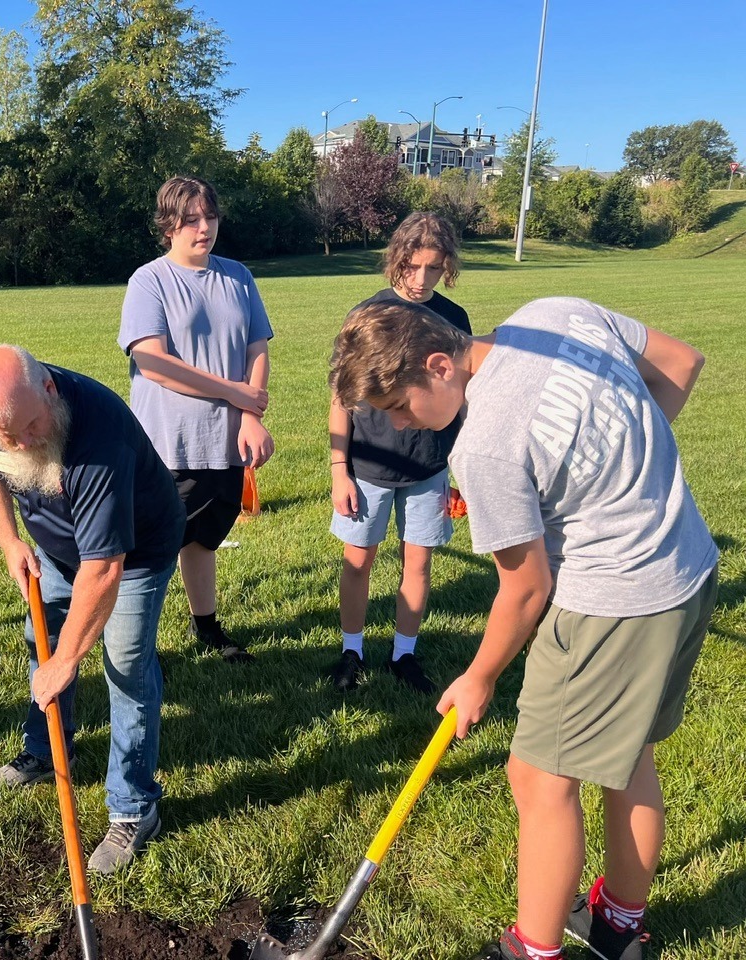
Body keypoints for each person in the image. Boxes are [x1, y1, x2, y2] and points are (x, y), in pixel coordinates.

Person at [329, 296, 718, 960]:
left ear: (439, 364)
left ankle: (532, 951)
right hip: (684, 564)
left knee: (539, 779)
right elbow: (682, 364)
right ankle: (618, 930)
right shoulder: (554, 315)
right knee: (629, 763)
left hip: (611, 601)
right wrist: (622, 480)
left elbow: (527, 588)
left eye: (398, 407)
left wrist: (479, 677)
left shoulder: (484, 445)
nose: (401, 425)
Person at [0, 345, 184, 874]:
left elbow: (105, 569)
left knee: (126, 667)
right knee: (38, 646)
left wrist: (67, 661)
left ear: (48, 391)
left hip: (132, 553)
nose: (20, 443)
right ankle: (45, 752)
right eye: (7, 437)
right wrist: (11, 545)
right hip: (58, 550)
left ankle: (135, 809)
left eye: (30, 429)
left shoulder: (98, 437)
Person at [118, 175, 273, 663]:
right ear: (169, 226)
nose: (203, 228)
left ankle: (206, 629)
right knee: (151, 550)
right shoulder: (149, 280)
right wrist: (236, 393)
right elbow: (153, 362)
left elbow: (257, 346)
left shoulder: (237, 276)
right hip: (167, 442)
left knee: (204, 539)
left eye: (210, 217)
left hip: (225, 440)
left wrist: (249, 414)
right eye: (190, 220)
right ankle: (134, 644)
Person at [327, 211, 471, 694]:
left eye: (433, 268)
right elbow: (339, 396)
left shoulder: (455, 320)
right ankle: (352, 649)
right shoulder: (368, 315)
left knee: (419, 564)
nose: (420, 279)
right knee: (358, 561)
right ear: (396, 260)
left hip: (428, 467)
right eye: (411, 266)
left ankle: (404, 654)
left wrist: (458, 469)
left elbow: (460, 399)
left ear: (447, 265)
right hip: (367, 466)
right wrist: (338, 471)